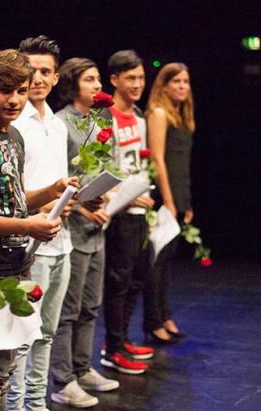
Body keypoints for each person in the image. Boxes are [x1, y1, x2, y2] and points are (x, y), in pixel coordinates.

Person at [0, 49, 74, 411]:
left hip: (14, 263)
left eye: (21, 91)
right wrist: (27, 225)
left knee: (5, 371)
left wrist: (50, 193)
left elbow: (14, 196)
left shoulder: (13, 137)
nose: (14, 100)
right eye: (5, 90)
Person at [6, 35, 74, 411]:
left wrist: (69, 198)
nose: (37, 79)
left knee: (47, 332)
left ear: (55, 76)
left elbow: (56, 181)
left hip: (61, 241)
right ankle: (16, 405)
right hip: (29, 244)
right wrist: (48, 197)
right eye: (30, 71)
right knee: (24, 334)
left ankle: (37, 403)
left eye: (45, 72)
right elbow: (10, 193)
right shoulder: (15, 123)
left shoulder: (57, 124)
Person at [50, 57, 120, 408]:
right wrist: (79, 206)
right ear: (73, 84)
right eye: (89, 79)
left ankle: (83, 366)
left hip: (98, 227)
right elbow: (57, 177)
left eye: (97, 79)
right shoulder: (61, 123)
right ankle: (63, 379)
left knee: (92, 305)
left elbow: (112, 164)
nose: (96, 85)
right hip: (73, 226)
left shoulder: (103, 118)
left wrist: (107, 194)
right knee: (69, 308)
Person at [100, 50, 155, 375]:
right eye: (130, 78)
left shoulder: (139, 117)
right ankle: (114, 346)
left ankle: (120, 339)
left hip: (140, 209)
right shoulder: (104, 118)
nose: (137, 84)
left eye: (141, 78)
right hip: (118, 211)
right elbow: (103, 169)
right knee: (118, 281)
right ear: (115, 80)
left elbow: (140, 163)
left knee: (137, 277)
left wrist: (143, 194)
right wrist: (126, 198)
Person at [143, 63, 195, 344]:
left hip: (178, 194)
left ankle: (164, 314)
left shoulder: (181, 115)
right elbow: (158, 159)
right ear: (163, 86)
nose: (182, 87)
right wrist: (170, 201)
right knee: (156, 260)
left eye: (186, 82)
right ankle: (153, 321)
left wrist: (186, 201)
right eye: (176, 81)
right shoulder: (160, 113)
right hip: (164, 196)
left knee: (167, 261)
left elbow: (181, 163)